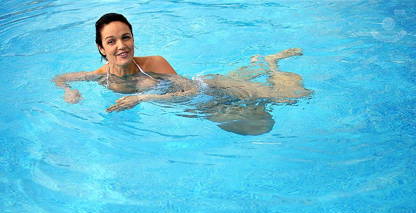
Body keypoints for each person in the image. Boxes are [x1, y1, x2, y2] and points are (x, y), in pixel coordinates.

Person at [53, 13, 311, 135]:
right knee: (260, 124)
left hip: (208, 90)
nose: (121, 46)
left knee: (292, 97)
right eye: (111, 41)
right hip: (198, 107)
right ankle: (263, 62)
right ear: (101, 47)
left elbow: (192, 90)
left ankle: (272, 63)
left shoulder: (153, 62)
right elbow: (60, 78)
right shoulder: (99, 76)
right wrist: (69, 91)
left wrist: (143, 99)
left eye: (126, 37)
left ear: (133, 39)